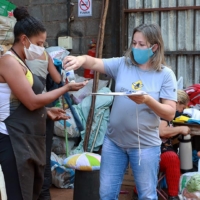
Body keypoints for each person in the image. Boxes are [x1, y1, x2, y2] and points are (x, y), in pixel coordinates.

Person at [63, 23, 177, 199]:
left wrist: (147, 100)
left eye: (141, 44)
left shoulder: (165, 74)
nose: (136, 48)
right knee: (106, 194)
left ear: (154, 47)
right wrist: (80, 60)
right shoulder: (122, 65)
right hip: (114, 143)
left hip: (145, 146)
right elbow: (94, 62)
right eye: (134, 43)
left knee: (147, 196)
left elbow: (169, 113)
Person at [0, 7, 87, 200]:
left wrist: (46, 111)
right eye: (39, 43)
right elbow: (30, 102)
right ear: (24, 40)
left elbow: (22, 101)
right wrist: (65, 89)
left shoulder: (21, 63)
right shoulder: (8, 62)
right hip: (12, 140)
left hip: (25, 138)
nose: (42, 48)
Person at [159, 90, 190, 200]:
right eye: (183, 107)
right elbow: (162, 131)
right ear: (177, 102)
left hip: (158, 149)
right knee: (172, 158)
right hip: (154, 152)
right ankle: (173, 196)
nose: (182, 111)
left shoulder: (169, 116)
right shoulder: (165, 114)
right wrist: (180, 129)